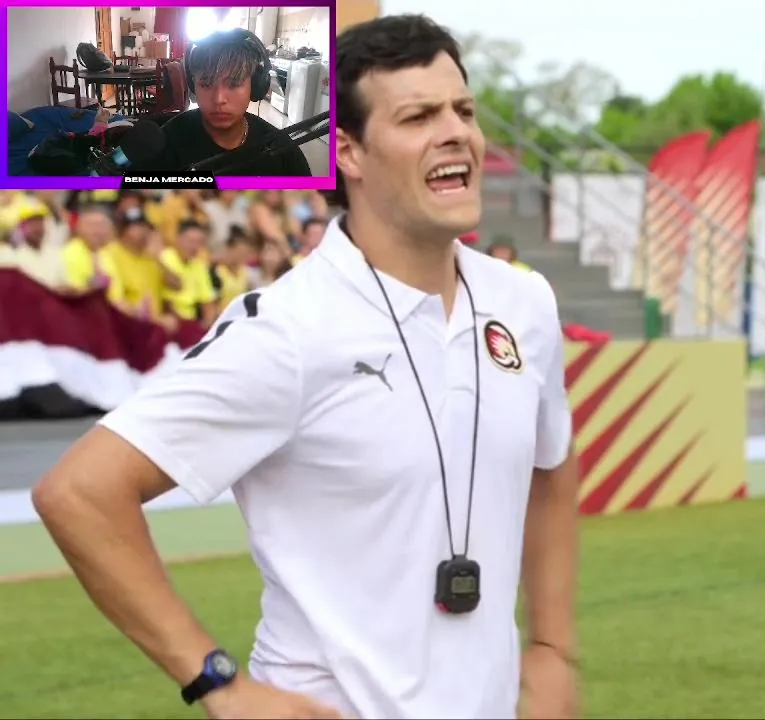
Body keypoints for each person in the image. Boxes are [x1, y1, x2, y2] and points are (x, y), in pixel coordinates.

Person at [32, 14, 579, 720]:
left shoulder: (525, 302)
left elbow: (550, 463)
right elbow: (79, 492)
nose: (456, 134)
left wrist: (552, 647)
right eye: (419, 117)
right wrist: (218, 682)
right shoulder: (289, 328)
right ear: (348, 152)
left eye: (463, 111)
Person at [135, 29, 310, 176]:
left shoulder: (282, 152)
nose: (219, 99)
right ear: (193, 85)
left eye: (234, 84)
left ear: (255, 86)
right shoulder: (167, 146)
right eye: (206, 84)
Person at [159, 220, 217, 326]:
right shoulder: (164, 258)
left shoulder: (200, 266)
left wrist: (206, 325)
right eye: (190, 241)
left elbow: (208, 302)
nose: (195, 247)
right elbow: (164, 301)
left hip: (192, 321)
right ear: (178, 239)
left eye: (199, 242)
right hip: (169, 318)